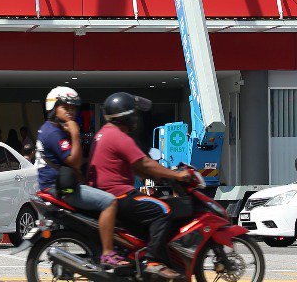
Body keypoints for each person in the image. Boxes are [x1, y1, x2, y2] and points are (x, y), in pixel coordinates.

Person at [89, 92, 193, 280]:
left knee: (151, 205)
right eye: (134, 114)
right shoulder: (119, 136)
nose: (136, 119)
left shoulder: (105, 132)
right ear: (125, 115)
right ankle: (152, 261)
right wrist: (176, 174)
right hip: (118, 195)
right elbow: (145, 163)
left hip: (106, 193)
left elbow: (135, 166)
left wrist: (158, 176)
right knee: (163, 209)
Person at [36, 85, 128, 269]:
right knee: (110, 202)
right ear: (54, 108)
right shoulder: (53, 132)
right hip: (60, 189)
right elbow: (75, 162)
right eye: (66, 107)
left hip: (59, 185)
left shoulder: (50, 129)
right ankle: (108, 254)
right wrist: (76, 134)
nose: (71, 112)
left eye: (73, 108)